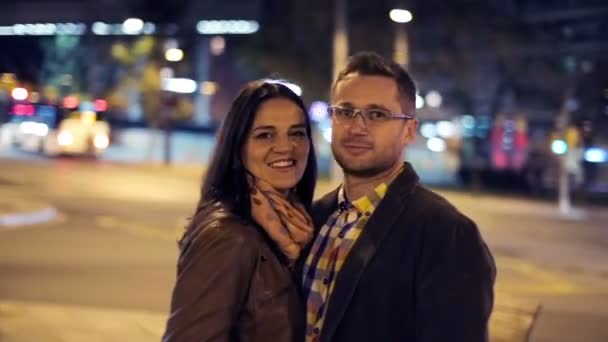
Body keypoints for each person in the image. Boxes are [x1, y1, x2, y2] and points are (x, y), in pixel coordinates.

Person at [297, 52, 496, 342]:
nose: (356, 127)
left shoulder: (446, 234)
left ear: (409, 130)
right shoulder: (315, 218)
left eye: (377, 114)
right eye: (346, 111)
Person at [163, 80, 317, 342]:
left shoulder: (294, 228)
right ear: (238, 147)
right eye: (265, 135)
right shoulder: (229, 236)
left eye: (297, 133)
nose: (286, 147)